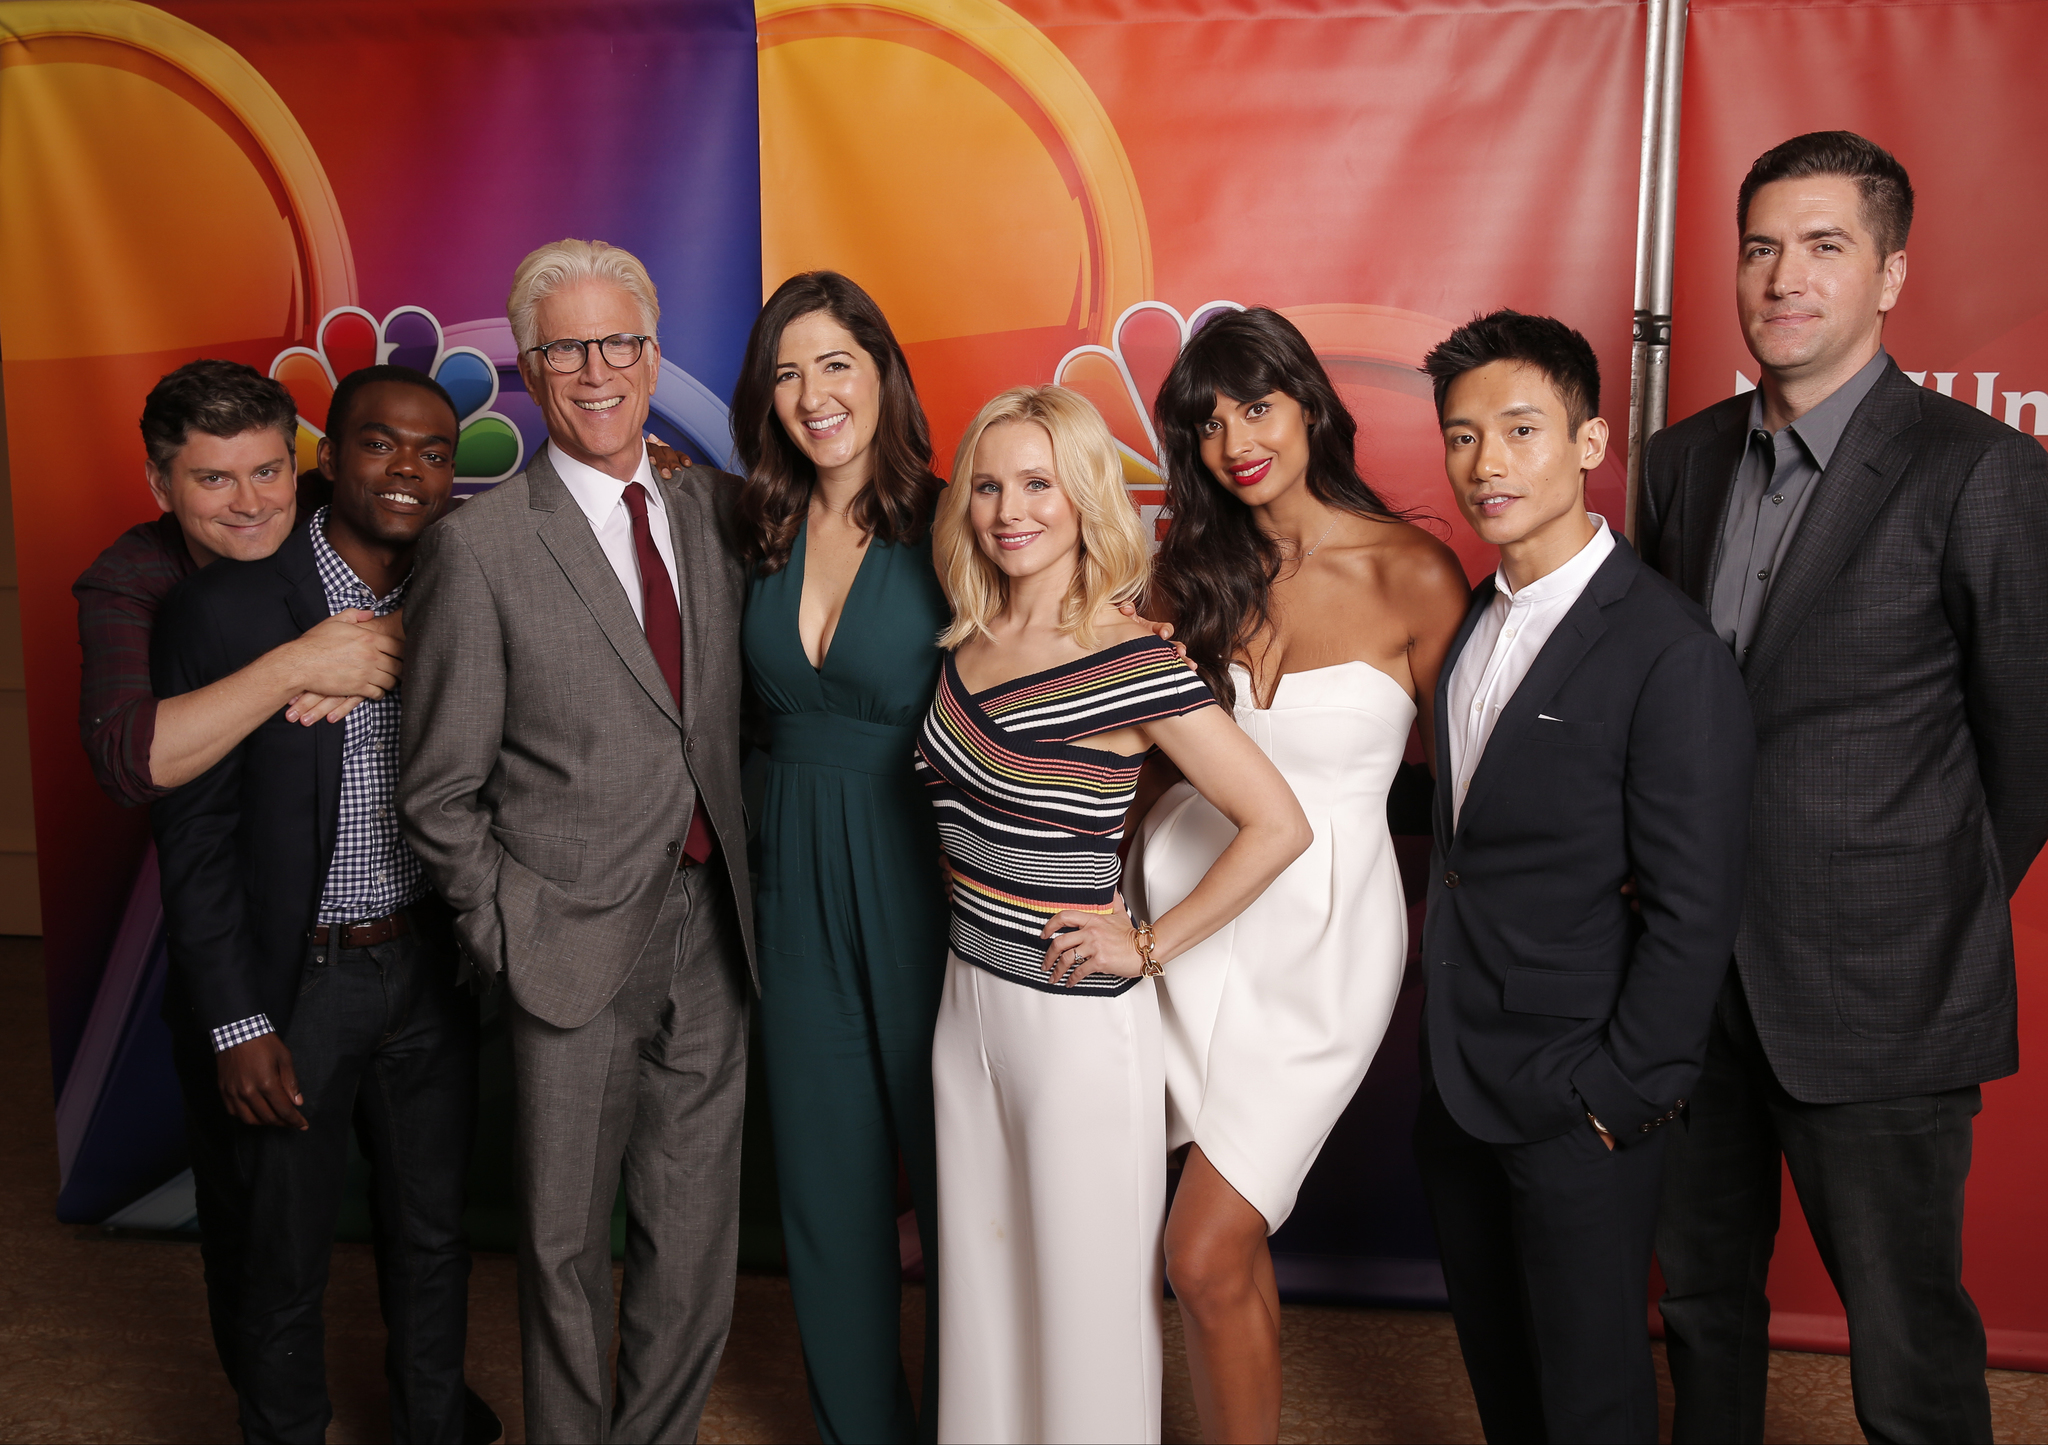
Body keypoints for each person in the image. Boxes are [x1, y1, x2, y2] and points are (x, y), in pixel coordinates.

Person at [1638, 132, 2048, 1445]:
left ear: (1890, 275)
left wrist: (1927, 902)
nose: (1783, 276)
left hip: (1884, 984)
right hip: (1694, 978)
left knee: (1909, 1345)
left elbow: (2028, 742)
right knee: (1700, 1307)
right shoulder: (1680, 463)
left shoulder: (1979, 473)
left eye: (1825, 246)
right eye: (1760, 245)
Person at [399, 239, 755, 1445]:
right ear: (529, 368)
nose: (595, 370)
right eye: (565, 347)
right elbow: (438, 787)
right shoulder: (481, 547)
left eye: (618, 342)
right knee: (558, 1244)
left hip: (715, 931)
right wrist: (509, 932)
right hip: (562, 944)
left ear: (652, 356)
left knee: (692, 1236)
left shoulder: (716, 515)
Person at [915, 385, 1310, 1445]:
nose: (1010, 509)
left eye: (1037, 482)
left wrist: (1145, 943)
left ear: (1084, 493)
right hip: (966, 1000)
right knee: (982, 1291)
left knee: (1086, 1311)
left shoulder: (1131, 654)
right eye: (988, 484)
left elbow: (1276, 822)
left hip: (1075, 1019)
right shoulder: (966, 635)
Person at [1129, 306, 1470, 1442]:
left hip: (1324, 941)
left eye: (1255, 405)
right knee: (1212, 1257)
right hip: (1181, 910)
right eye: (1207, 420)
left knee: (1201, 1242)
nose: (1234, 440)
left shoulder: (1412, 573)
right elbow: (1122, 749)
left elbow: (1481, 790)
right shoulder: (1188, 574)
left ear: (1311, 404)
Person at [1416, 311, 1753, 1444]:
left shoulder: (1665, 647)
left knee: (1592, 1400)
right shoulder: (1474, 619)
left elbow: (1694, 903)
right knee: (1508, 1387)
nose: (1486, 463)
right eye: (1461, 437)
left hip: (1577, 1094)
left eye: (1519, 429)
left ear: (1592, 443)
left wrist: (1620, 1094)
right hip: (1459, 1076)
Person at [151, 365, 475, 1442]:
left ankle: (434, 1421)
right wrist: (238, 1020)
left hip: (427, 964)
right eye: (380, 444)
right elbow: (191, 838)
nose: (407, 471)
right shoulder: (227, 605)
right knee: (280, 1248)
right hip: (302, 980)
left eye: (434, 451)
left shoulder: (459, 583)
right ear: (327, 457)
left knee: (431, 1232)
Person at [729, 271, 949, 1444]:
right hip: (788, 877)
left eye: (835, 363)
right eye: (786, 371)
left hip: (929, 875)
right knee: (826, 1192)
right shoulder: (748, 526)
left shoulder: (963, 519)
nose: (813, 394)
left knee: (959, 1192)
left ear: (882, 373)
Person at [75, 358, 404, 812]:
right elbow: (127, 763)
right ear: (160, 485)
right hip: (217, 842)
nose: (250, 505)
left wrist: (391, 629)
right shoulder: (127, 579)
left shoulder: (332, 503)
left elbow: (482, 544)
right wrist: (296, 666)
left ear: (294, 466)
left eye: (266, 472)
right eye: (215, 479)